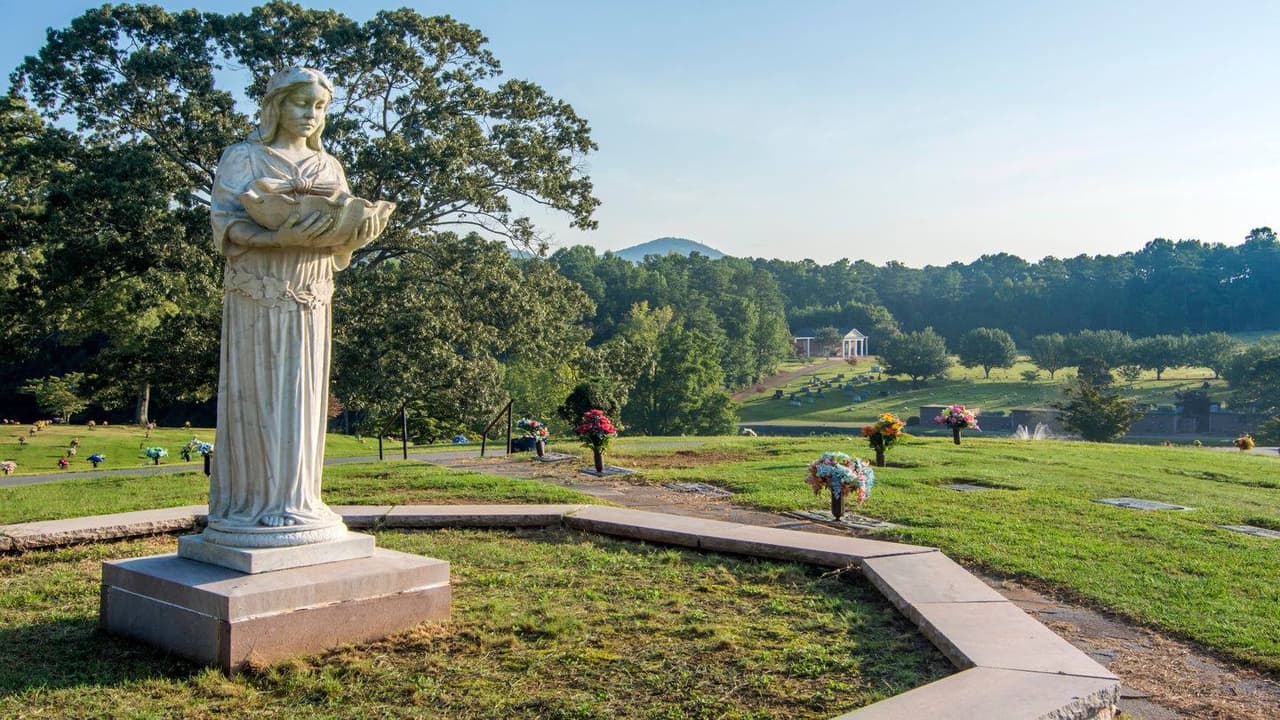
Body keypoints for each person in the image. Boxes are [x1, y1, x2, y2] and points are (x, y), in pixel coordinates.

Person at [205, 67, 389, 546]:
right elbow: (224, 228)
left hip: (311, 295)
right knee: (262, 394)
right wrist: (274, 237)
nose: (311, 115)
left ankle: (299, 499)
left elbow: (337, 234)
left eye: (320, 107)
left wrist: (357, 234)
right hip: (258, 296)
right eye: (301, 103)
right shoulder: (243, 157)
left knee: (302, 397)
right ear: (275, 105)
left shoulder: (328, 167)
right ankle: (253, 506)